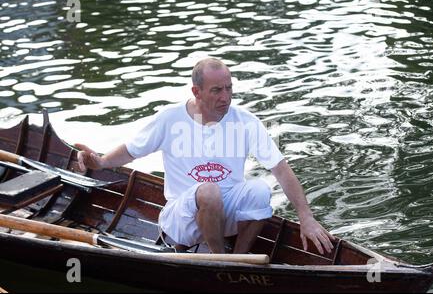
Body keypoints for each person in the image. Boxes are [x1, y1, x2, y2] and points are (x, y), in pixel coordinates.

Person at [76, 58, 335, 254]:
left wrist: (306, 218)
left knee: (260, 190)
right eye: (216, 91)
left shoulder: (245, 121)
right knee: (209, 191)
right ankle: (219, 258)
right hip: (182, 218)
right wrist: (99, 162)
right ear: (196, 92)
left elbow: (281, 170)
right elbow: (130, 151)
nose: (226, 97)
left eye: (229, 88)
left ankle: (235, 261)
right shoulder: (170, 118)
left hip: (227, 215)